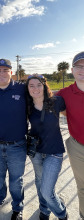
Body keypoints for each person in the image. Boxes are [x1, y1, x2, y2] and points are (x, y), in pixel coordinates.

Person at [0, 59, 27, 220]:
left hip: (17, 145)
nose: (2, 73)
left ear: (11, 72)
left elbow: (40, 98)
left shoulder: (23, 90)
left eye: (5, 70)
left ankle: (17, 207)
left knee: (16, 180)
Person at [26, 74, 68, 220]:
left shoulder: (56, 101)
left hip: (54, 151)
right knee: (39, 181)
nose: (35, 88)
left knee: (46, 190)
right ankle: (44, 209)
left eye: (38, 85)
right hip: (36, 152)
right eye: (31, 85)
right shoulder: (28, 105)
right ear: (28, 88)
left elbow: (72, 114)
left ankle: (62, 213)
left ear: (44, 85)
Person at [57, 51, 84, 220]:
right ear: (72, 70)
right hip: (77, 146)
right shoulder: (64, 94)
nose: (82, 69)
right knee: (82, 186)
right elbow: (40, 98)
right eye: (79, 66)